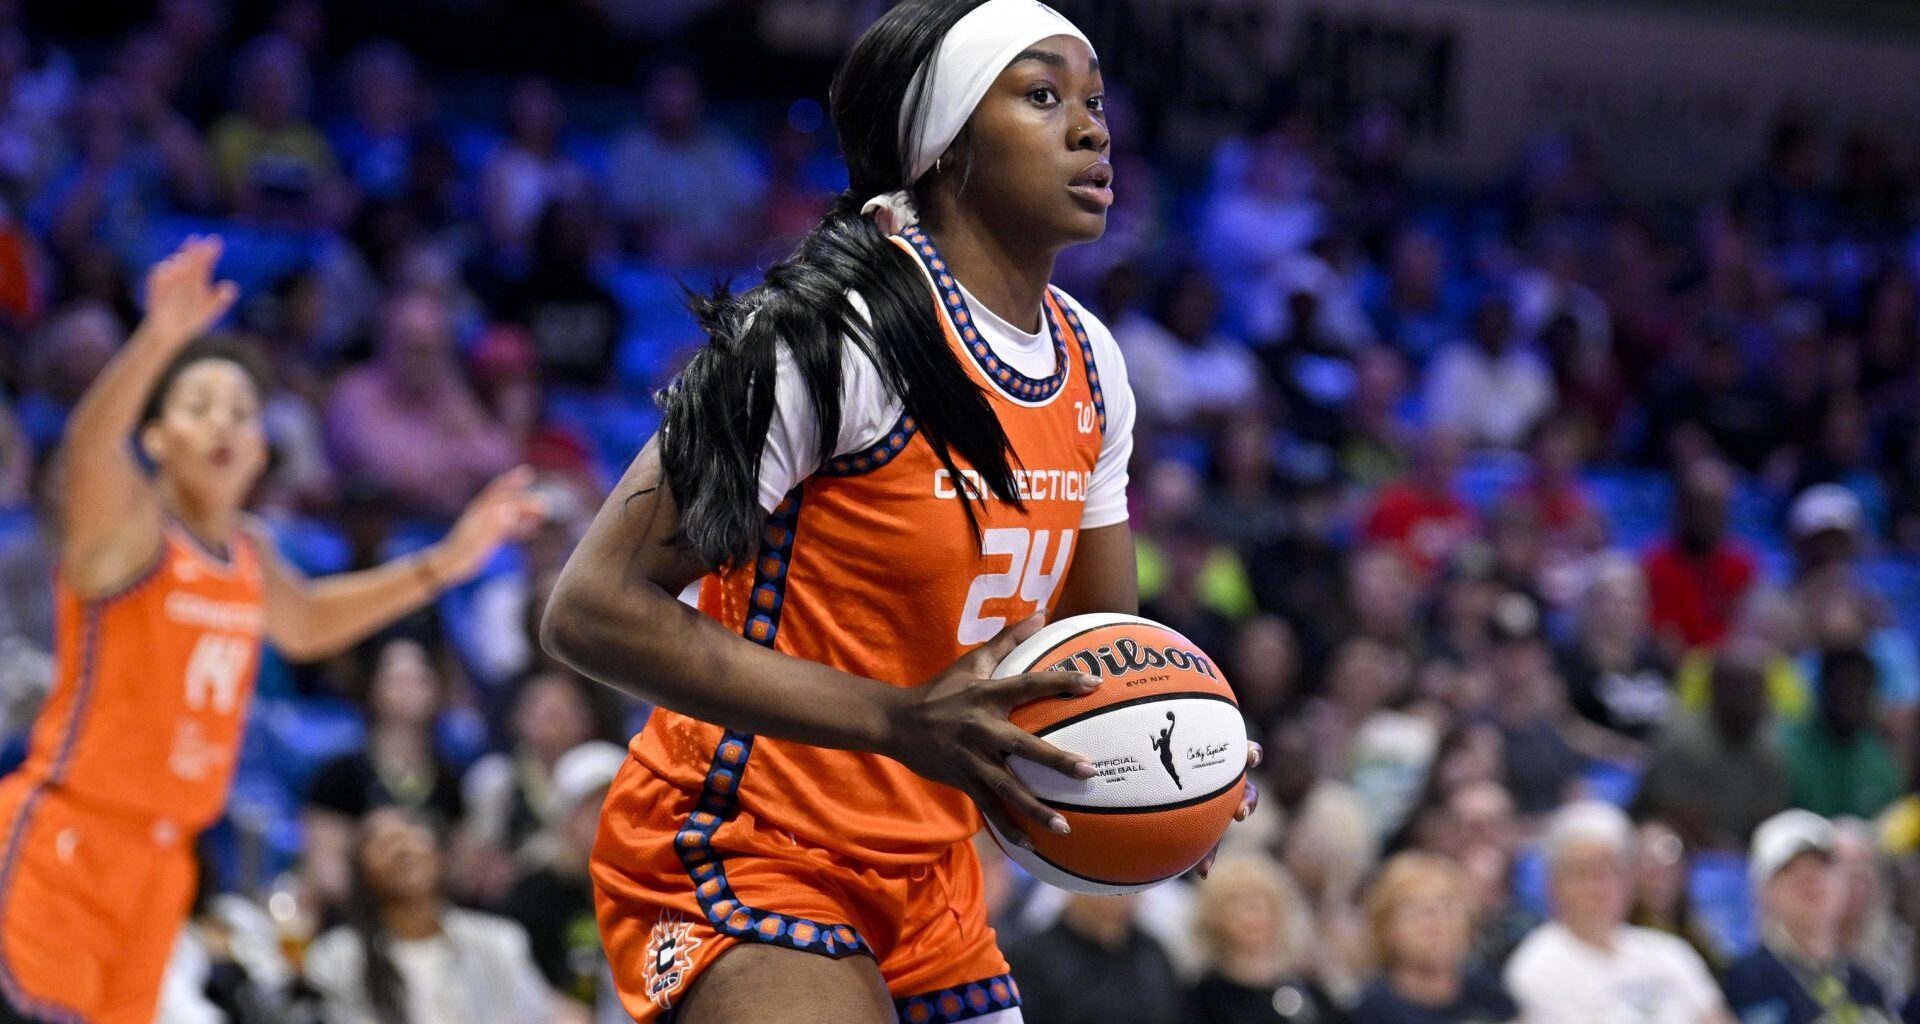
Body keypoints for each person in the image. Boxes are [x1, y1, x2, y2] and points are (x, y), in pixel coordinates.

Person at [539, 3, 1257, 1021]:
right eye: (1044, 96)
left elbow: (1095, 655)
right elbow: (593, 606)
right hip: (739, 836)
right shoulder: (824, 338)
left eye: (1094, 102)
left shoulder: (1092, 361)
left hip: (929, 874)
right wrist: (892, 718)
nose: (1093, 129)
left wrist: (1183, 751)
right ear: (945, 144)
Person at [0, 237, 542, 1024]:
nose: (223, 422)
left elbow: (312, 624)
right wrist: (157, 339)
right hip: (68, 838)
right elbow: (88, 448)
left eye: (240, 411)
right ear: (156, 440)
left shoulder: (251, 552)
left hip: (165, 859)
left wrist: (448, 562)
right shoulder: (129, 534)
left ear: (262, 448)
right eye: (197, 407)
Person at [304, 806, 567, 1024]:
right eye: (382, 843)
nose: (402, 848)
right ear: (360, 876)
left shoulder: (500, 941)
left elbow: (544, 1015)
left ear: (441, 856)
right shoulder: (335, 959)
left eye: (411, 834)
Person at [1503, 801, 1732, 1024]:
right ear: (1553, 884)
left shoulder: (1669, 952)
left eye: (1609, 870)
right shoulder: (1537, 967)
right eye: (1583, 872)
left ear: (1630, 878)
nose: (1597, 886)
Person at [1722, 810, 1897, 1023]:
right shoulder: (1750, 980)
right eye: (1790, 869)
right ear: (1763, 892)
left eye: (1823, 864)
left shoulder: (1864, 981)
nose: (1811, 879)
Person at [1351, 852, 1517, 1024]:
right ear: (1385, 926)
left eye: (1446, 907)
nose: (1434, 924)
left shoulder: (1487, 990)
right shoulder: (1374, 1010)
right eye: (1413, 911)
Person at [1185, 854, 1342, 1024]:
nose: (1252, 917)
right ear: (1213, 919)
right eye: (1236, 905)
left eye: (1261, 902)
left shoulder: (1309, 988)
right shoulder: (1204, 998)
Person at [1002, 894, 1183, 1024]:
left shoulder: (1150, 951)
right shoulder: (1032, 957)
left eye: (1129, 890)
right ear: (1077, 890)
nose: (1120, 901)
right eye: (1110, 891)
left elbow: (1174, 1012)